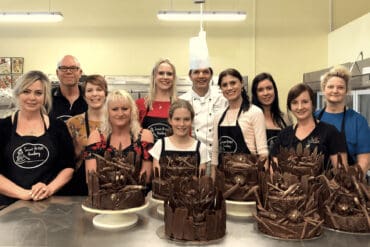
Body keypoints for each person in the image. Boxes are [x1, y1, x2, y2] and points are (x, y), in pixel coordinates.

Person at [0, 71, 74, 207]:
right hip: (9, 207)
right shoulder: (3, 128)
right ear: (17, 94)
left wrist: (49, 189)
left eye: (38, 93)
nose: (32, 98)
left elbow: (68, 167)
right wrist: (24, 194)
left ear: (45, 97)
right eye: (26, 91)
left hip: (49, 204)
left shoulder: (58, 127)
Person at [271, 83, 347, 171]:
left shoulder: (330, 132)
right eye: (295, 103)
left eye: (305, 102)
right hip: (288, 185)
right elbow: (274, 171)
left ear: (312, 104)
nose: (300, 107)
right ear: (290, 107)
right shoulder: (283, 135)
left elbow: (342, 173)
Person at [85, 90, 153, 185]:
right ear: (107, 112)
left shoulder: (145, 136)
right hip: (104, 196)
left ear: (132, 111)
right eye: (115, 109)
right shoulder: (96, 137)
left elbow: (146, 178)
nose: (120, 114)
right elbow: (91, 178)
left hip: (137, 196)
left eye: (125, 109)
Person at [211, 68, 268, 178]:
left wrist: (262, 184)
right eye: (225, 85)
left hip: (249, 179)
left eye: (233, 83)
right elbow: (215, 154)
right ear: (221, 89)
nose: (229, 88)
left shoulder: (254, 112)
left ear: (241, 84)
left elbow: (263, 153)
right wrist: (213, 183)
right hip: (223, 180)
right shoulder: (218, 116)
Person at [315, 65, 370, 174]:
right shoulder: (313, 118)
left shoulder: (358, 121)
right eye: (330, 87)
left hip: (347, 184)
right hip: (314, 185)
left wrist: (348, 184)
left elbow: (364, 162)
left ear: (347, 91)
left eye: (340, 87)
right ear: (323, 89)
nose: (335, 91)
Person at [63, 75, 108, 195]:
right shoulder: (73, 123)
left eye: (99, 89)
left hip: (112, 184)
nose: (95, 94)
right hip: (80, 187)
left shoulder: (116, 122)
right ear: (84, 96)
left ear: (106, 94)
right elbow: (65, 160)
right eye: (89, 90)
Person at [179, 66, 227, 163]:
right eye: (196, 72)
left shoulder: (222, 99)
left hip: (218, 159)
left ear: (211, 75)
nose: (201, 76)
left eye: (205, 72)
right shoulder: (181, 100)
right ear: (190, 75)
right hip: (189, 159)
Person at [149, 99, 209, 177]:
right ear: (170, 120)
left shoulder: (201, 148)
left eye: (186, 119)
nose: (182, 124)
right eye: (177, 119)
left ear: (192, 121)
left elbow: (201, 183)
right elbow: (157, 180)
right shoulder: (160, 145)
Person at [136, 59, 177, 142]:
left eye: (169, 74)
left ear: (173, 78)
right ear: (154, 76)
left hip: (172, 154)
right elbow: (133, 134)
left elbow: (187, 137)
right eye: (161, 73)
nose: (165, 77)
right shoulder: (140, 104)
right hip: (146, 154)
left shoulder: (179, 105)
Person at [251, 72, 292, 151]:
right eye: (260, 90)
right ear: (255, 94)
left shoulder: (285, 118)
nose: (266, 93)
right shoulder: (250, 118)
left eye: (269, 88)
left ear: (274, 90)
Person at [49, 55, 87, 122]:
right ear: (57, 73)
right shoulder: (47, 98)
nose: (68, 72)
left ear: (80, 73)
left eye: (73, 68)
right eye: (63, 68)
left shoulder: (89, 97)